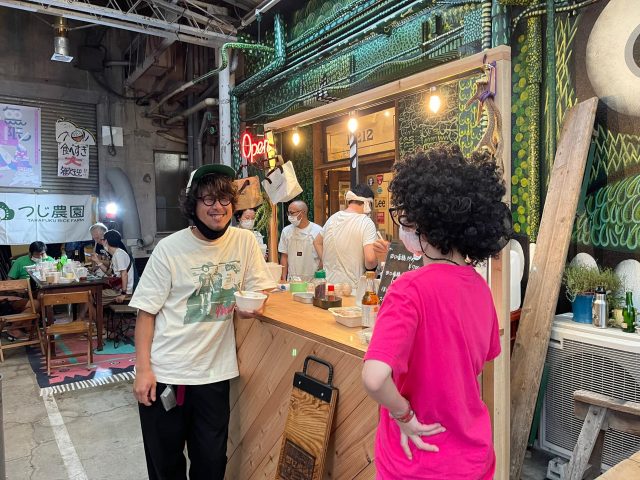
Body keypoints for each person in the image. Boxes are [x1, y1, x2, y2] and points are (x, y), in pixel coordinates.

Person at [361, 144, 512, 479]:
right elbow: (471, 369)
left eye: (408, 220)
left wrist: (403, 414)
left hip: (415, 461)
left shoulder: (408, 290)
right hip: (472, 459)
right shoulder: (481, 289)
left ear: (425, 224)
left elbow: (374, 378)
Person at [130, 164, 275, 480]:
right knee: (165, 467)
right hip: (167, 374)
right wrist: (143, 370)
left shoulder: (245, 242)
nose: (217, 207)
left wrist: (250, 306)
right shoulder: (169, 249)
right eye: (208, 199)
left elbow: (260, 289)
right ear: (193, 204)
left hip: (213, 375)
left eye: (224, 199)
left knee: (211, 465)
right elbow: (146, 313)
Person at [314, 184, 387, 290]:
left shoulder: (332, 218)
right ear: (367, 203)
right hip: (352, 289)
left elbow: (317, 242)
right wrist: (380, 258)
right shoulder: (366, 222)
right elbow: (370, 260)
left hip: (329, 286)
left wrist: (326, 260)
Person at [278, 200, 322, 281]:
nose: (289, 216)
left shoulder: (318, 230)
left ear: (302, 212)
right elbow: (284, 256)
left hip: (313, 279)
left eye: (292, 213)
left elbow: (323, 257)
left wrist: (318, 277)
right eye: (288, 213)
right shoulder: (286, 231)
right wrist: (283, 279)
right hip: (292, 280)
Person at [96, 230, 134, 305]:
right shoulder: (116, 254)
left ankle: (92, 312)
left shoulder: (119, 255)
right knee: (91, 294)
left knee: (93, 295)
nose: (101, 242)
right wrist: (97, 261)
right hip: (117, 288)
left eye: (103, 239)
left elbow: (124, 274)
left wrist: (123, 293)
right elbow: (110, 273)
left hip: (120, 290)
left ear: (106, 241)